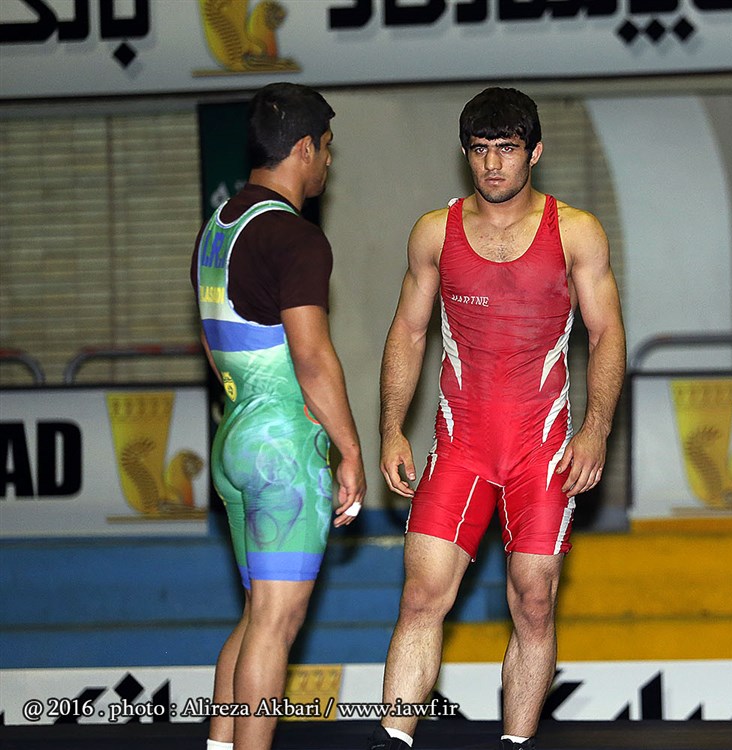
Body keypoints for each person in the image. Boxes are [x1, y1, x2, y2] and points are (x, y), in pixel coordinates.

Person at [372, 87, 626, 750]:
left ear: (534, 153)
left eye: (507, 149)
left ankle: (516, 743)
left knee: (533, 599)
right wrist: (391, 427)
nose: (492, 164)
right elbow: (408, 331)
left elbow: (606, 334)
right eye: (481, 149)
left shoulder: (576, 232)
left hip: (540, 450)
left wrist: (596, 427)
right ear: (465, 153)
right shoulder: (436, 232)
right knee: (422, 595)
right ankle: (392, 740)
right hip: (460, 446)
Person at [192, 82, 366, 750]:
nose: (329, 163)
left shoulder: (218, 228)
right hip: (283, 451)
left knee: (256, 614)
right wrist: (348, 449)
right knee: (275, 622)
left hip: (235, 436)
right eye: (327, 148)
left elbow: (213, 343)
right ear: (303, 148)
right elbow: (313, 358)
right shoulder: (295, 238)